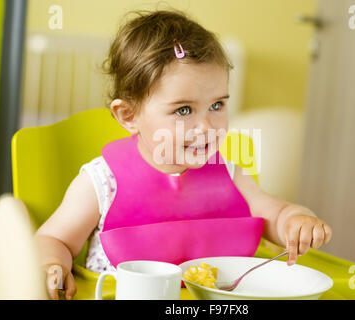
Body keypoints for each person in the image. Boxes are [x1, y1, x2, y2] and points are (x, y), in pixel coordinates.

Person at [34, 9, 332, 300]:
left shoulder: (228, 173)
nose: (206, 126)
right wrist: (53, 266)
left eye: (217, 105)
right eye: (183, 110)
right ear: (128, 115)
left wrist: (296, 221)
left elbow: (273, 214)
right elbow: (53, 239)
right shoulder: (101, 182)